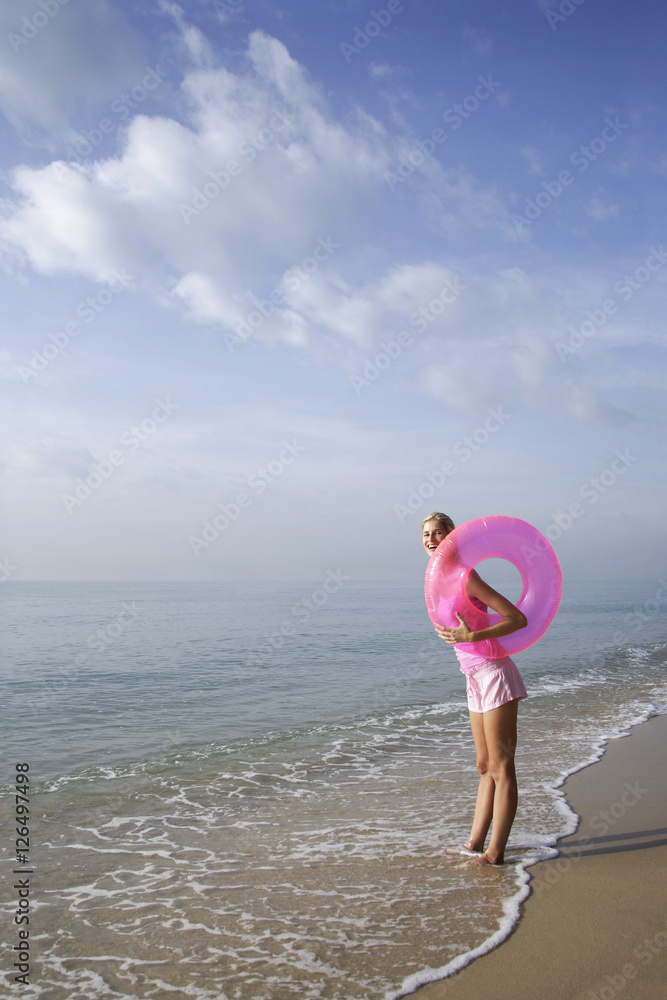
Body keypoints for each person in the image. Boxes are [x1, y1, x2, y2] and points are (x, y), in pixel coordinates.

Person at [422, 512, 528, 866]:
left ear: (453, 536)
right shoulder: (437, 580)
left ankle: (495, 853)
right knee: (484, 765)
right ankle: (474, 843)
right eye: (426, 534)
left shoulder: (468, 576)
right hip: (472, 677)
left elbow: (517, 618)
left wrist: (474, 636)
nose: (431, 539)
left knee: (501, 765)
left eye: (438, 532)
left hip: (495, 672)